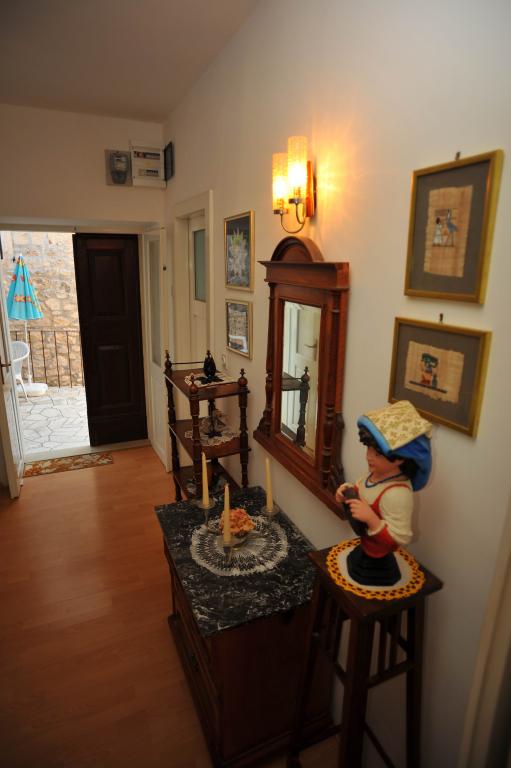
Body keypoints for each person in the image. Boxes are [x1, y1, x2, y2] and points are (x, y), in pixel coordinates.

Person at [335, 400, 432, 586]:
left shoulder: (397, 494)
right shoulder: (375, 476)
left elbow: (399, 538)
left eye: (377, 454)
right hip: (364, 548)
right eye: (368, 449)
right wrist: (345, 493)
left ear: (399, 459)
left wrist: (372, 519)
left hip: (379, 561)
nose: (368, 456)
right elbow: (363, 491)